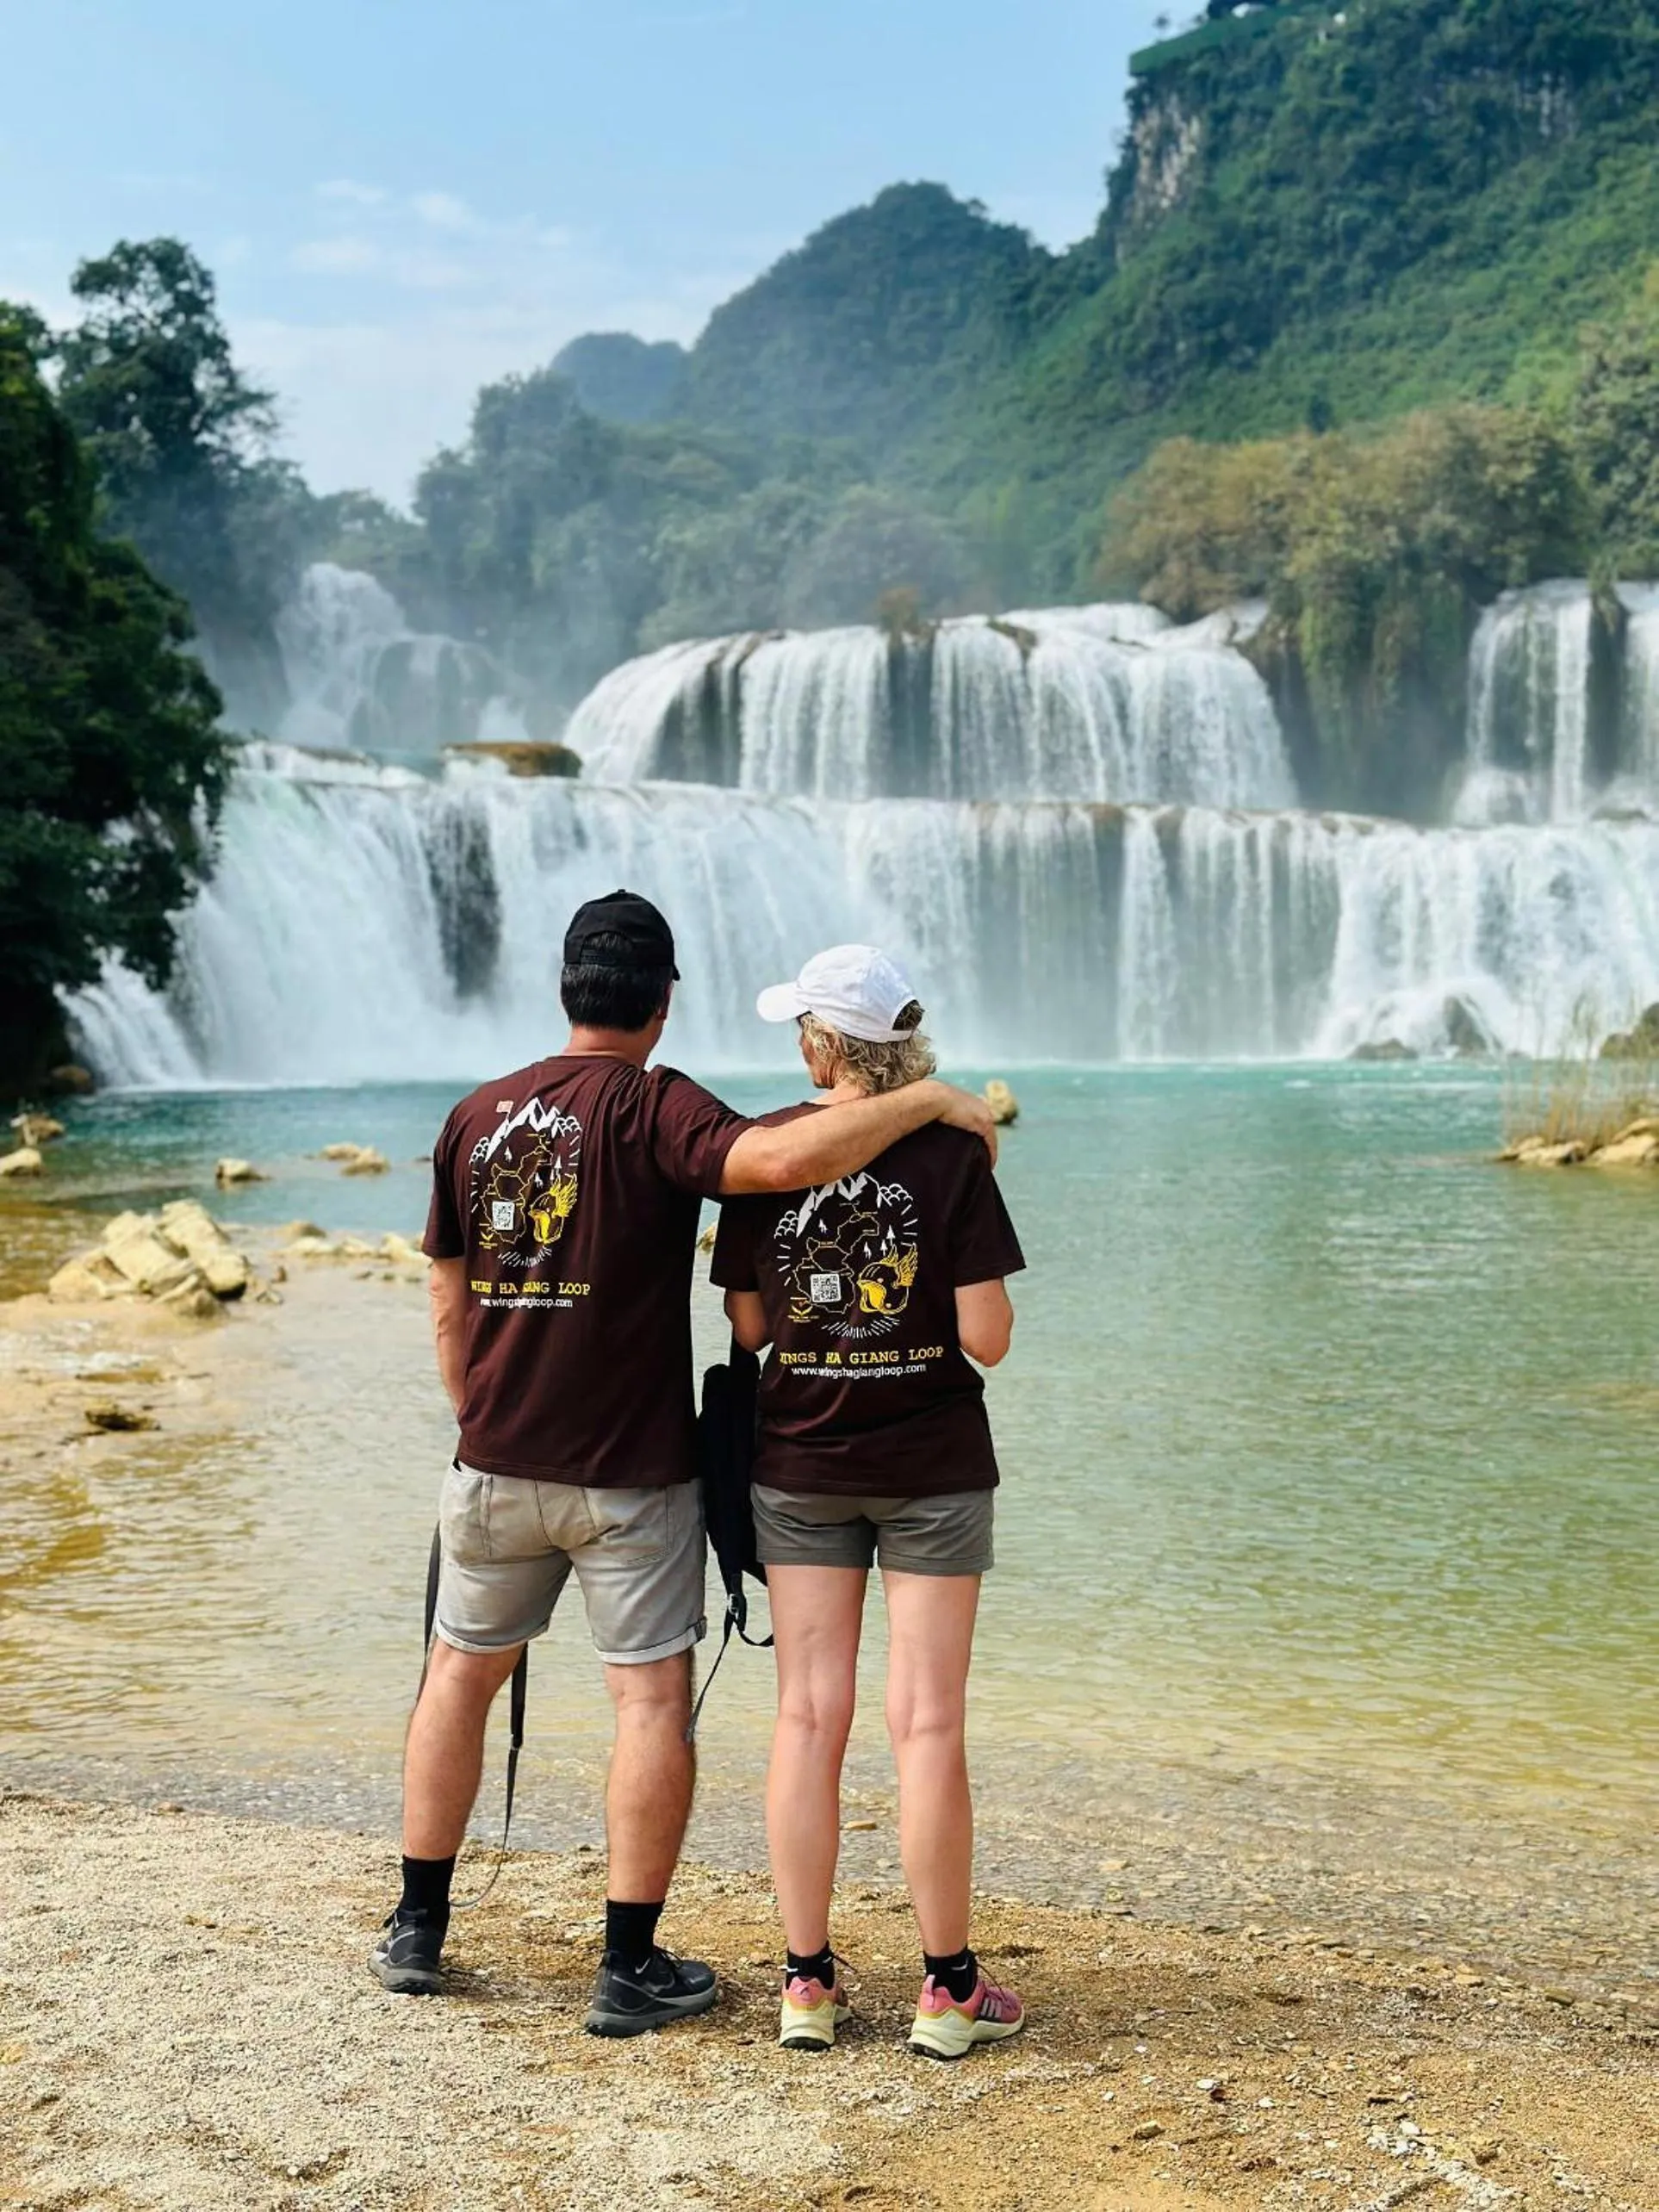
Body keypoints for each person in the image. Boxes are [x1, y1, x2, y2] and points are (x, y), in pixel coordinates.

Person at [372, 892, 998, 2038]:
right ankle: (627, 1963)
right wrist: (930, 1100)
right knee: (650, 1702)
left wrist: (478, 1418)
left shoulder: (472, 1114)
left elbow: (445, 1292)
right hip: (631, 1473)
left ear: (565, 987)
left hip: (494, 1460)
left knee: (457, 1675)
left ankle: (417, 1926)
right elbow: (770, 1161)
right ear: (663, 1004)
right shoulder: (658, 1107)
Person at [711, 944, 1027, 2060]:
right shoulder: (949, 1154)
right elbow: (986, 1335)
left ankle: (806, 1983)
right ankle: (946, 1991)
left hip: (802, 1471)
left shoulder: (768, 1156)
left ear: (819, 1046)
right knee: (927, 1724)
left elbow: (751, 1329)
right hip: (934, 1465)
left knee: (808, 1717)